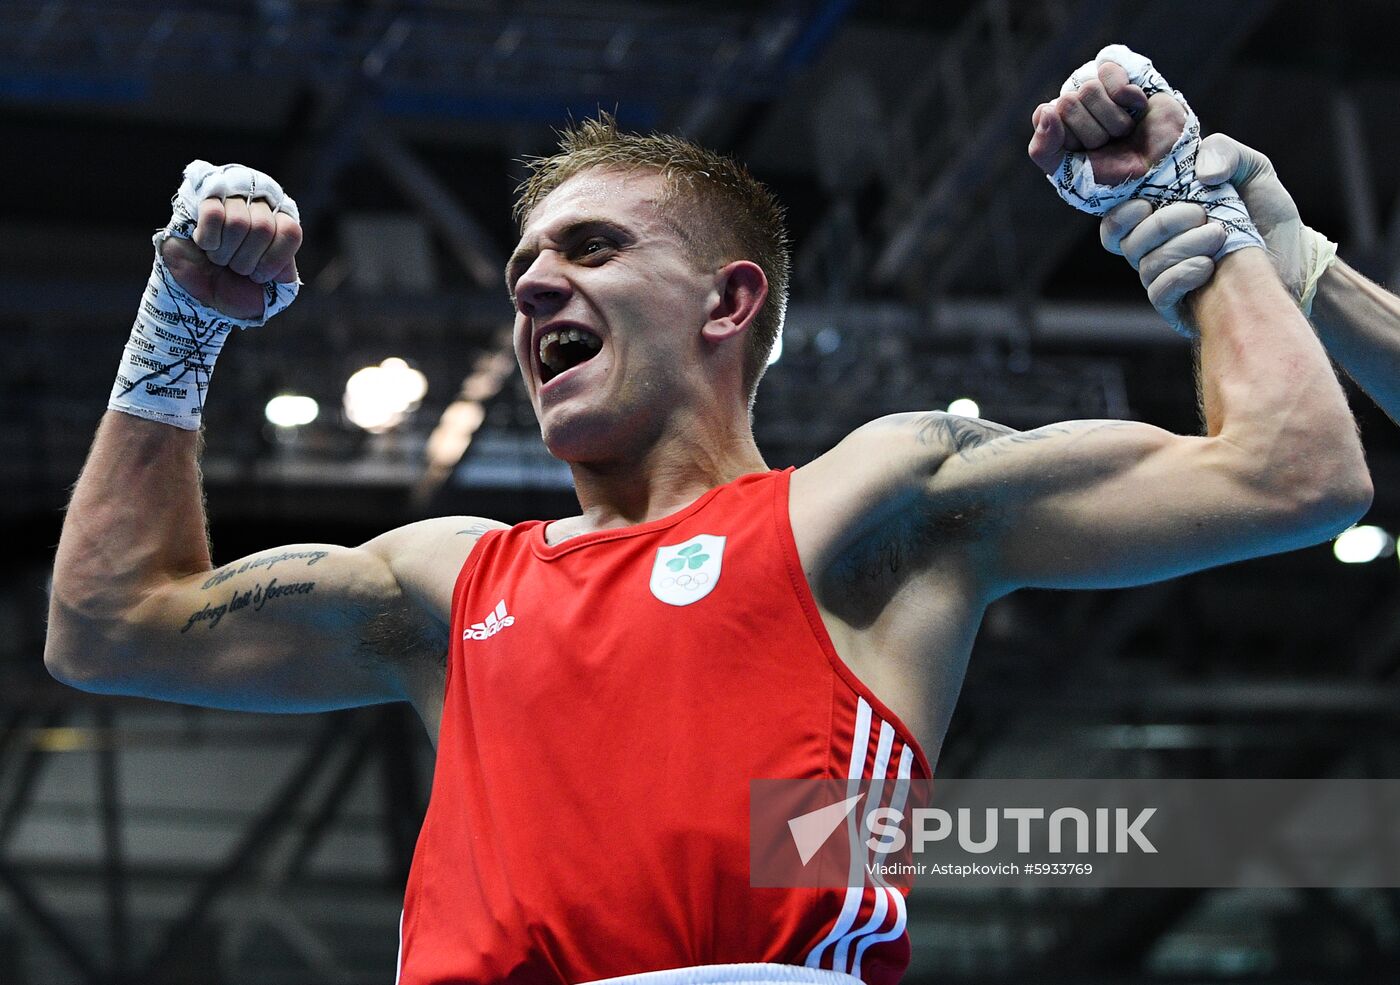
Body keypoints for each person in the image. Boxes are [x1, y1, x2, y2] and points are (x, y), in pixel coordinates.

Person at [46, 48, 1370, 985]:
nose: (535, 288)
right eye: (523, 269)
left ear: (727, 304)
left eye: (591, 248)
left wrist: (1182, 199)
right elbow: (109, 628)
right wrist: (182, 328)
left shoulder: (868, 507)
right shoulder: (449, 585)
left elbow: (1296, 475)